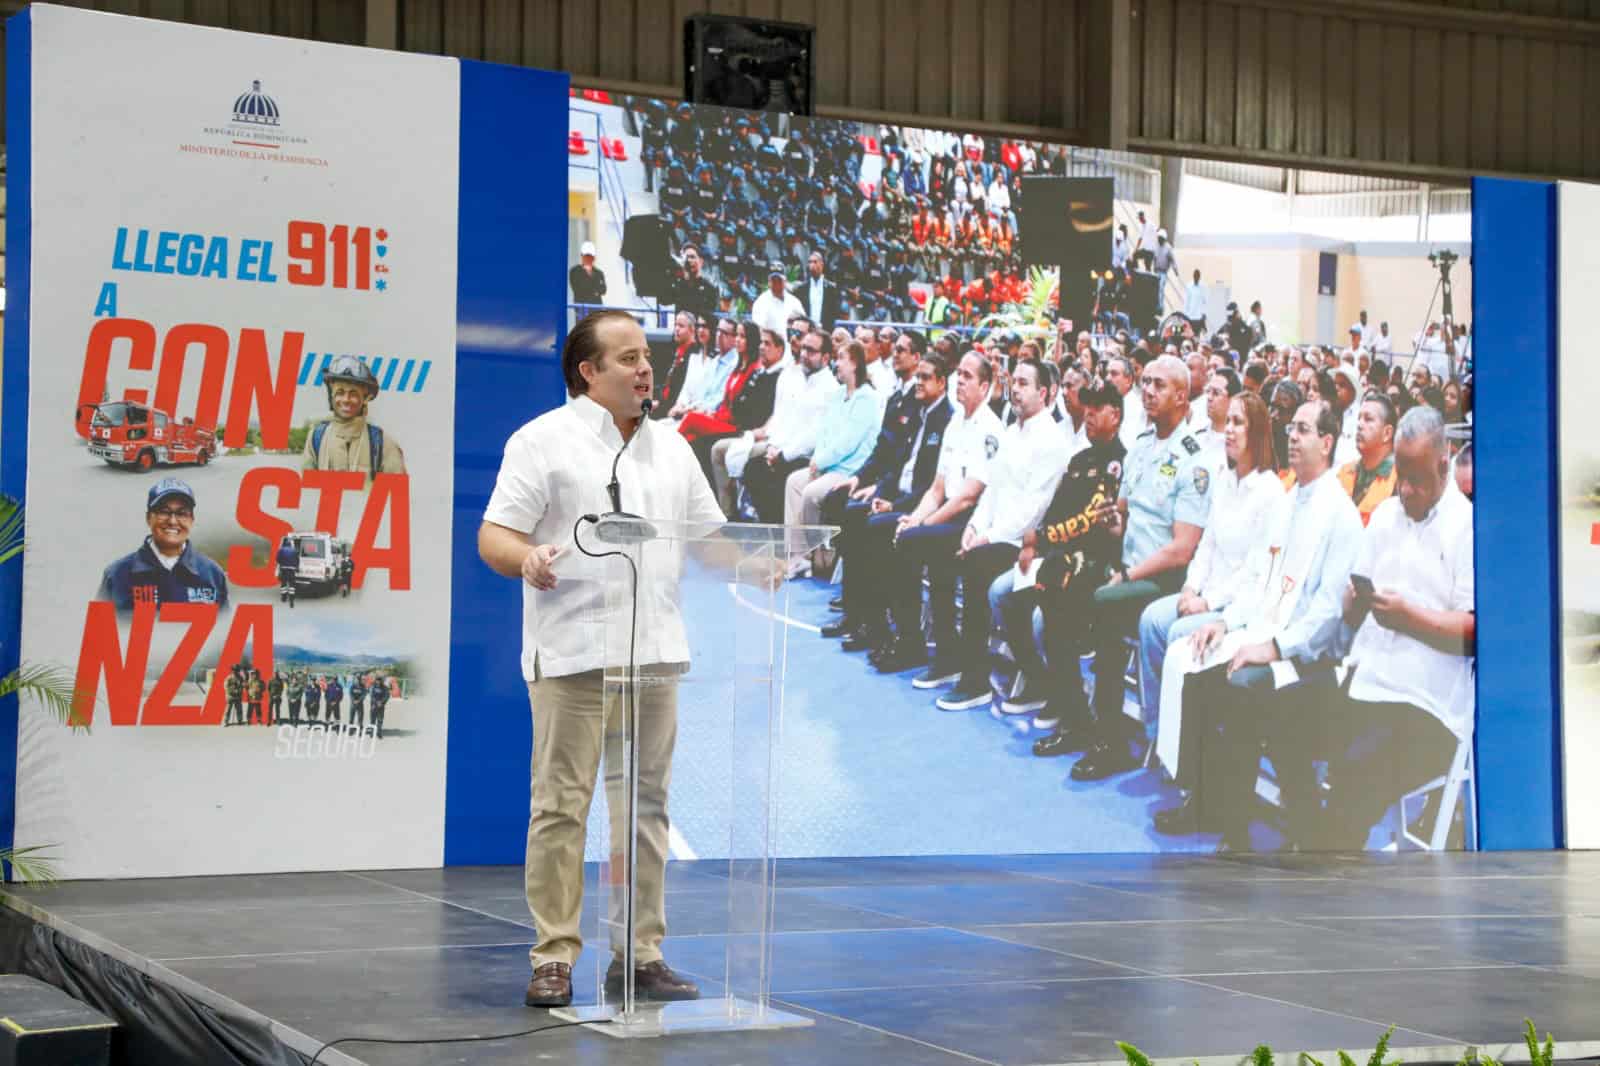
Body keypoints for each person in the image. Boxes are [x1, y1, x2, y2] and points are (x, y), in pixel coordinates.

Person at [478, 310, 723, 1010]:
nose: (646, 368)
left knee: (647, 810)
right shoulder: (541, 441)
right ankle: (553, 955)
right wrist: (527, 557)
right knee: (561, 809)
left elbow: (711, 540)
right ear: (588, 371)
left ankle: (641, 954)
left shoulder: (671, 446)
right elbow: (494, 534)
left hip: (654, 654)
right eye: (628, 358)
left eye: (646, 356)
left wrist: (767, 563)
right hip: (574, 655)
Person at [1156, 399, 1362, 849]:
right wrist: (1226, 624)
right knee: (1195, 663)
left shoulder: (1341, 516)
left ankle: (1235, 833)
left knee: (1240, 686)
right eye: (1291, 429)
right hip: (1266, 633)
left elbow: (1327, 615)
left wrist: (1274, 647)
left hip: (1311, 658)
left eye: (1304, 430)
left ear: (1327, 443)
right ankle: (1208, 804)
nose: (1292, 436)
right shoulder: (1288, 503)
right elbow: (1255, 578)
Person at [1277, 405, 1474, 851]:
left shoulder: (1467, 527)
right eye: (1400, 475)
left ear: (1444, 463)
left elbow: (1472, 631)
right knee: (1284, 711)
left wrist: (1409, 618)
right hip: (1366, 683)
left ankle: (1322, 857)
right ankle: (1314, 840)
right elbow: (1353, 602)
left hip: (1426, 706)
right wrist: (1353, 601)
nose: (1405, 490)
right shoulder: (1387, 515)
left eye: (1417, 479)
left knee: (1356, 767)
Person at [1032, 356, 1209, 779]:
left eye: (1159, 385)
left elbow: (1182, 549)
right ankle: (1077, 720)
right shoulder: (1143, 448)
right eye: (1145, 382)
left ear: (1182, 397)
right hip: (1124, 564)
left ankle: (1111, 742)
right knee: (1057, 586)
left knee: (1106, 605)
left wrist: (1127, 575)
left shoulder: (1193, 459)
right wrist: (1114, 524)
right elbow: (1123, 518)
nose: (1148, 391)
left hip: (1162, 580)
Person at [1141, 392, 1283, 775]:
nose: (1230, 430)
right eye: (1229, 422)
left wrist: (1207, 602)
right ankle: (1158, 734)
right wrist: (1190, 588)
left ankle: (1185, 754)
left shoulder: (1269, 492)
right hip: (1204, 592)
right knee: (1151, 620)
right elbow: (1206, 544)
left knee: (1177, 634)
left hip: (1233, 605)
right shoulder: (1224, 479)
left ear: (1256, 432)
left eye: (1239, 423)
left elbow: (1255, 569)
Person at [931, 357, 1072, 710]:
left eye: (1024, 384)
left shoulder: (1052, 441)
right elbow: (991, 492)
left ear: (1044, 392)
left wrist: (989, 537)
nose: (1015, 389)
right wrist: (974, 527)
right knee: (948, 550)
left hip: (1028, 543)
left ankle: (975, 678)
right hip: (995, 534)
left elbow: (1035, 509)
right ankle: (949, 656)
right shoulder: (1011, 433)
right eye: (1014, 382)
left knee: (978, 565)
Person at [996, 379, 1126, 727]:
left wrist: (1039, 538)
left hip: (1092, 560)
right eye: (1088, 407)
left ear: (1115, 415)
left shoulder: (1117, 462)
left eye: (1097, 408)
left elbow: (1091, 520)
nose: (1089, 413)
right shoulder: (1080, 459)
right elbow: (1057, 508)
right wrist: (1037, 541)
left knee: (1047, 615)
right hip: (1056, 555)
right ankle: (1041, 678)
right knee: (1002, 595)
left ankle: (1066, 698)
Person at [783, 341, 880, 577]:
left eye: (842, 358)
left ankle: (818, 558)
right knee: (794, 482)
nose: (837, 363)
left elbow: (849, 441)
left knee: (811, 493)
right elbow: (824, 432)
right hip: (827, 464)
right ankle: (797, 555)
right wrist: (816, 461)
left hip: (848, 470)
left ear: (855, 363)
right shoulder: (837, 396)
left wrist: (821, 463)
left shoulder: (867, 398)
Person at [742, 329, 838, 522]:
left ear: (826, 357)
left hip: (809, 457)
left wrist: (783, 455)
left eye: (810, 351)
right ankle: (772, 528)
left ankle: (782, 537)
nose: (803, 355)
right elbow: (787, 423)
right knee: (753, 468)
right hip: (787, 450)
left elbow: (814, 436)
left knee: (779, 477)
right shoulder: (802, 380)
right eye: (803, 348)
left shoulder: (830, 388)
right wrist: (774, 447)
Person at [96, 478, 230, 614]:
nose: (172, 521)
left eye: (182, 513)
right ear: (149, 518)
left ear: (191, 520)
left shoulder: (213, 575)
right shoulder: (117, 575)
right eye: (164, 512)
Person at [302, 355, 407, 479]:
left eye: (354, 394)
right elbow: (307, 493)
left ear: (365, 398)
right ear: (331, 396)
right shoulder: (315, 439)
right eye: (340, 392)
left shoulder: (384, 444)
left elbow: (397, 495)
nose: (346, 400)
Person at [1336, 392, 1398, 526]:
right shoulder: (1344, 472)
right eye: (1359, 418)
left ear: (1387, 433)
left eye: (1368, 419)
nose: (1359, 424)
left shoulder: (1400, 481)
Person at [750, 264, 805, 336]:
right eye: (773, 280)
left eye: (779, 280)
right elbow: (758, 331)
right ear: (769, 282)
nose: (776, 283)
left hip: (791, 344)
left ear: (785, 281)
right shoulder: (760, 303)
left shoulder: (794, 302)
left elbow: (804, 324)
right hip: (771, 345)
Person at [800, 250, 843, 331]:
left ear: (822, 264)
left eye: (815, 262)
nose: (812, 265)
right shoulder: (802, 289)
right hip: (807, 330)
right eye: (810, 262)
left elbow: (836, 313)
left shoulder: (832, 289)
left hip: (826, 330)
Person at [569, 241, 607, 307]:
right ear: (582, 256)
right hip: (582, 308)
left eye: (591, 257)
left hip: (597, 308)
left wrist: (594, 291)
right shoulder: (575, 271)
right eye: (586, 256)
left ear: (594, 258)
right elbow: (578, 289)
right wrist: (595, 292)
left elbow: (603, 290)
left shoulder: (599, 273)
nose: (589, 259)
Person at [369, 674, 391, 739]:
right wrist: (376, 702)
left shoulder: (385, 687)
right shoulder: (373, 687)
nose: (378, 681)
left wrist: (381, 702)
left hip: (381, 706)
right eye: (377, 680)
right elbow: (372, 696)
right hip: (374, 706)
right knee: (372, 720)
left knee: (380, 720)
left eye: (379, 680)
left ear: (381, 681)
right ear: (375, 680)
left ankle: (379, 733)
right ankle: (371, 733)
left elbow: (387, 696)